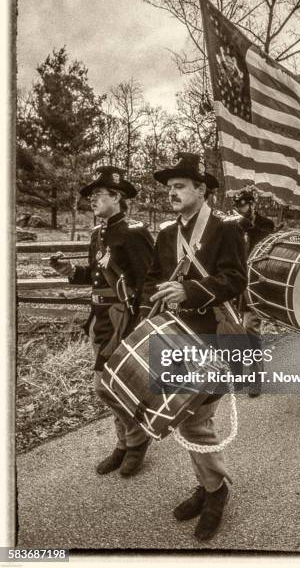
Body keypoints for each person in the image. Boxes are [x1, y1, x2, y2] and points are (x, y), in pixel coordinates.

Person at [139, 151, 247, 541]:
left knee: (196, 420)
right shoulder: (166, 234)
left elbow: (235, 280)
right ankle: (206, 486)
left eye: (179, 185)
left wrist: (189, 290)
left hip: (212, 335)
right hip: (173, 335)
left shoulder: (225, 228)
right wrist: (160, 294)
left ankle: (216, 492)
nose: (171, 192)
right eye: (169, 187)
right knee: (185, 416)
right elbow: (152, 278)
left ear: (201, 189)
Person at [49, 165, 154, 475]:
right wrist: (68, 271)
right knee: (112, 387)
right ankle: (124, 443)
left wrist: (141, 325)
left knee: (105, 387)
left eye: (98, 195)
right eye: (91, 195)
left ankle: (135, 441)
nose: (92, 200)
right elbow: (95, 277)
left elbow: (148, 281)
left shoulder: (134, 232)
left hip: (125, 321)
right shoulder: (98, 233)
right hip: (100, 320)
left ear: (117, 197)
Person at [232, 188, 275, 397]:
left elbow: (267, 248)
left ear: (252, 204)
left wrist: (249, 226)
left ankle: (256, 377)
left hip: (256, 285)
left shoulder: (265, 224)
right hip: (234, 285)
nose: (240, 209)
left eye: (243, 205)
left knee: (250, 328)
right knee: (234, 330)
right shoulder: (232, 226)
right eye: (237, 206)